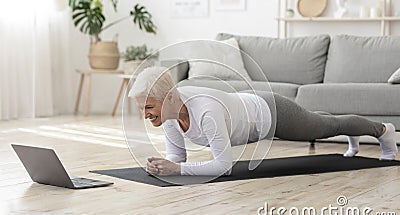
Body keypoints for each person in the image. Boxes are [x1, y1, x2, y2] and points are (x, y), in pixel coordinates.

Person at [128, 66, 398, 176]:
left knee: (327, 127)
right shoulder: (172, 115)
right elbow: (178, 157)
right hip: (248, 106)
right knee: (324, 123)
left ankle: (384, 131)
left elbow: (223, 166)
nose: (146, 115)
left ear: (171, 97)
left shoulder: (206, 110)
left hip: (271, 113)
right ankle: (349, 129)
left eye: (149, 107)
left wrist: (176, 170)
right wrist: (166, 166)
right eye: (142, 108)